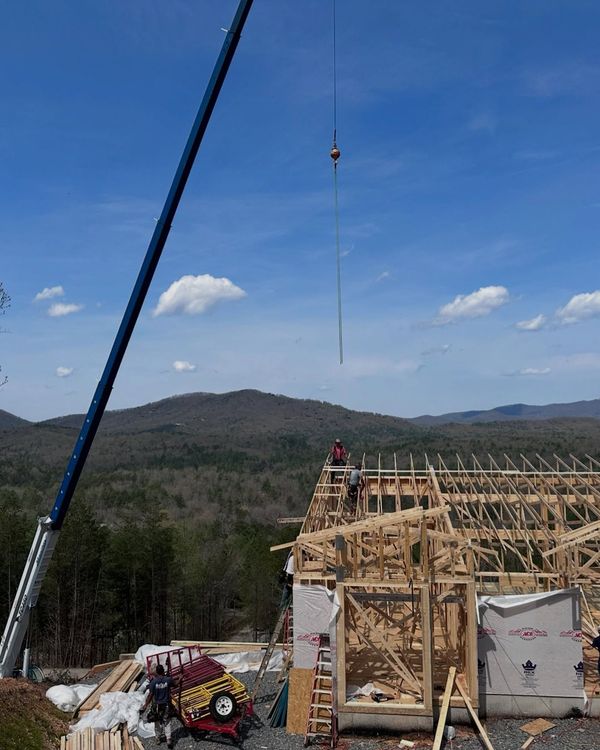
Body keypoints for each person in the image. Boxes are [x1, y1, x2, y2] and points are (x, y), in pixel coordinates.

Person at [141, 663, 179, 748]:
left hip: (157, 706)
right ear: (163, 671)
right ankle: (168, 739)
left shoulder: (153, 682)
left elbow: (150, 695)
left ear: (157, 672)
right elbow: (176, 684)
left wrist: (146, 705)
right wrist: (180, 678)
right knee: (167, 722)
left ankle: (158, 738)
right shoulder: (168, 680)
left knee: (157, 722)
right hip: (166, 705)